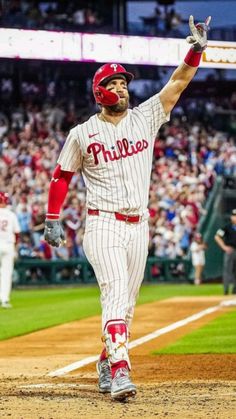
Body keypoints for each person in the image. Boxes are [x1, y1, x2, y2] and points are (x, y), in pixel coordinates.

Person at [44, 15, 211, 401]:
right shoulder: (82, 133)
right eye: (114, 84)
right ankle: (120, 371)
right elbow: (60, 176)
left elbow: (178, 82)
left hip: (140, 226)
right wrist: (52, 217)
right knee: (115, 293)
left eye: (124, 83)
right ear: (99, 91)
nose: (122, 89)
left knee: (128, 306)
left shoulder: (145, 116)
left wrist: (195, 51)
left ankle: (106, 360)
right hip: (102, 225)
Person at [0, 192, 21, 308]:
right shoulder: (11, 214)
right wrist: (15, 248)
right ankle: (4, 300)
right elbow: (17, 233)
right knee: (6, 274)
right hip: (8, 245)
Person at [215, 209, 236, 295]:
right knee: (227, 270)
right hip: (230, 250)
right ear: (231, 217)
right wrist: (224, 247)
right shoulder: (227, 227)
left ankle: (235, 289)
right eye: (234, 216)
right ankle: (226, 289)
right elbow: (217, 236)